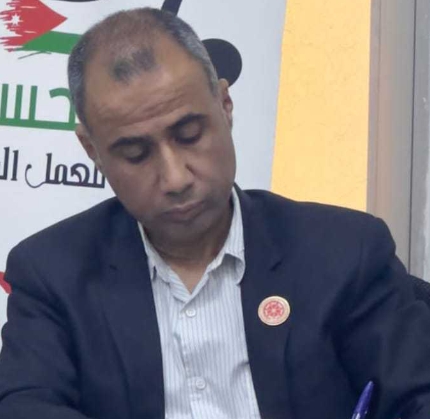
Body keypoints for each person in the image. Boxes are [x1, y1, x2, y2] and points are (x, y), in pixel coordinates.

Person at [0, 7, 430, 419]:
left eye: (189, 135)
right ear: (92, 150)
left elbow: (418, 397)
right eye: (135, 154)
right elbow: (25, 407)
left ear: (225, 105)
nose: (175, 178)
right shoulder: (52, 274)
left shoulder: (345, 252)